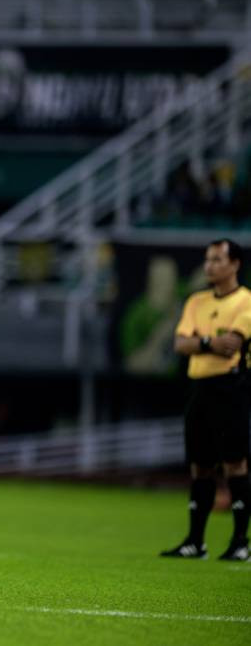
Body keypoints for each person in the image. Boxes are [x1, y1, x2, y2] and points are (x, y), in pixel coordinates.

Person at [160, 239, 250, 562]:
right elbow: (180, 345)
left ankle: (240, 542)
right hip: (200, 388)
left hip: (232, 387)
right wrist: (211, 341)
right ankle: (195, 541)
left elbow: (232, 346)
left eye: (217, 259)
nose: (209, 266)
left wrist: (200, 342)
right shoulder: (196, 301)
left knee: (235, 463)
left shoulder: (246, 301)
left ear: (235, 264)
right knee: (200, 464)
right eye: (208, 259)